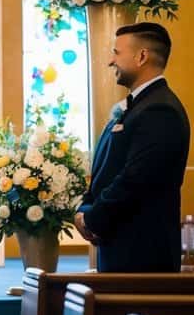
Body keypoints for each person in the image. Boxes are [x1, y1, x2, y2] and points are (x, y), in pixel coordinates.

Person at [75, 22, 190, 272]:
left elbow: (134, 180)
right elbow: (107, 170)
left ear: (141, 56)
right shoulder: (138, 106)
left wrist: (92, 219)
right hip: (120, 249)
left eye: (116, 52)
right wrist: (84, 208)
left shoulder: (160, 111)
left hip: (141, 255)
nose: (110, 60)